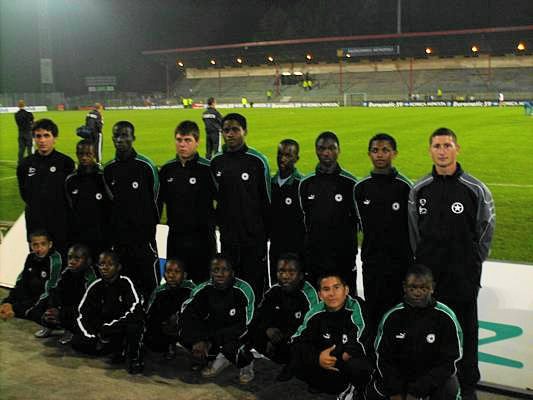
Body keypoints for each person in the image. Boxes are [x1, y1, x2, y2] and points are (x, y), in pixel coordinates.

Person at [408, 127, 495, 400]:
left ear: (457, 148)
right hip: (430, 279)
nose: (442, 151)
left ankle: (468, 386)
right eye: (437, 146)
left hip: (462, 276)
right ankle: (431, 384)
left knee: (467, 331)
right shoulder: (419, 189)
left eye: (447, 145)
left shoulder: (475, 188)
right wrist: (423, 264)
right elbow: (414, 233)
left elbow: (486, 228)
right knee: (430, 330)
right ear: (430, 150)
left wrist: (472, 262)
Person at [368, 264, 462, 400]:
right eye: (413, 288)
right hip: (400, 380)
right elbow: (382, 357)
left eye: (424, 288)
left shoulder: (446, 317)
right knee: (373, 391)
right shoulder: (392, 317)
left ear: (432, 288)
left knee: (449, 388)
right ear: (405, 287)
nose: (418, 293)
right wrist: (396, 391)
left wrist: (417, 391)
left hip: (430, 381)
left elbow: (451, 361)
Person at [354, 133, 413, 331]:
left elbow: (413, 228)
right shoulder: (360, 189)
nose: (380, 155)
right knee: (374, 309)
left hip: (399, 262)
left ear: (394, 154)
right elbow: (359, 224)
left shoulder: (405, 188)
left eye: (385, 150)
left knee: (399, 311)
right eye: (375, 150)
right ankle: (374, 353)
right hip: (372, 262)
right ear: (369, 154)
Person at [210, 113, 271, 299]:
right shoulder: (216, 162)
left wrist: (263, 233)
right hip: (229, 237)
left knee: (256, 282)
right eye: (226, 130)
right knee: (231, 283)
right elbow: (215, 199)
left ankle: (258, 322)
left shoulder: (258, 161)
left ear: (245, 131)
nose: (230, 134)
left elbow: (267, 200)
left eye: (235, 129)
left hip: (254, 237)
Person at [290, 272, 371, 399]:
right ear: (320, 295)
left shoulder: (357, 307)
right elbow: (297, 340)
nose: (332, 294)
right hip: (328, 360)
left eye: (336, 287)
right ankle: (340, 387)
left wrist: (343, 354)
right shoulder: (315, 312)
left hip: (346, 358)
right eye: (326, 289)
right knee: (297, 360)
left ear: (346, 290)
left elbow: (363, 336)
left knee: (357, 364)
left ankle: (358, 389)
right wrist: (318, 358)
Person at [103, 121, 160, 299]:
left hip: (144, 238)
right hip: (120, 239)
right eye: (116, 136)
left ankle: (153, 318)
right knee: (125, 283)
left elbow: (157, 198)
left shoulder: (146, 166)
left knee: (150, 281)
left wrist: (149, 227)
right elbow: (110, 203)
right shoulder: (109, 169)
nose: (120, 140)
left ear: (133, 138)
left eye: (124, 135)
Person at [179, 254, 256, 384]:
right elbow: (187, 315)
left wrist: (211, 341)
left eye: (224, 270)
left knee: (231, 347)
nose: (219, 274)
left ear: (232, 272)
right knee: (183, 334)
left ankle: (246, 363)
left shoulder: (243, 290)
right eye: (215, 270)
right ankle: (220, 357)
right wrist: (198, 340)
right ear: (210, 272)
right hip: (211, 334)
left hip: (235, 335)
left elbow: (248, 324)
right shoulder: (202, 290)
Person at [298, 131, 358, 292]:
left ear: (339, 150)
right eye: (321, 148)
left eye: (331, 148)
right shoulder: (306, 183)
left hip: (343, 257)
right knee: (316, 301)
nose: (326, 152)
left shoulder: (351, 183)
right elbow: (303, 220)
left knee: (347, 300)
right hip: (315, 256)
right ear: (316, 150)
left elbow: (358, 222)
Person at [159, 121, 217, 283]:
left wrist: (213, 222)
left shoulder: (208, 169)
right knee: (175, 284)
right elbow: (158, 203)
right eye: (179, 140)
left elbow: (223, 201)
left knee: (203, 284)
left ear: (197, 142)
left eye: (187, 140)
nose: (182, 144)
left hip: (203, 240)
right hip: (176, 239)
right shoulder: (167, 170)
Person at [247, 253, 318, 380]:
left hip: (297, 341)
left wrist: (284, 337)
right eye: (281, 271)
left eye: (291, 272)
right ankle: (245, 360)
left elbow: (311, 328)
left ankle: (298, 366)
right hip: (278, 339)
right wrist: (267, 330)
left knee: (308, 343)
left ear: (301, 275)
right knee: (250, 330)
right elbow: (257, 317)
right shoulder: (273, 291)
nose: (285, 276)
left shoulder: (310, 294)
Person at [72, 250, 145, 374]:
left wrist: (109, 328)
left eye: (109, 264)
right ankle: (111, 348)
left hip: (120, 327)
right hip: (103, 329)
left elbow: (136, 310)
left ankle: (133, 358)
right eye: (101, 264)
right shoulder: (96, 286)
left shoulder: (126, 283)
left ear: (118, 267)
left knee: (135, 325)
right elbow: (82, 313)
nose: (105, 267)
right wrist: (93, 335)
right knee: (77, 342)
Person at [17, 119, 75, 256]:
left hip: (59, 224)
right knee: (38, 264)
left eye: (46, 135)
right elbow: (24, 194)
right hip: (35, 223)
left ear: (55, 138)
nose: (42, 140)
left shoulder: (66, 163)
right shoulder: (25, 164)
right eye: (38, 136)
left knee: (61, 262)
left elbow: (70, 196)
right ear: (34, 138)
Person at [0, 230, 62, 336]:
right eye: (35, 245)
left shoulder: (55, 260)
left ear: (50, 244)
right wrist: (8, 302)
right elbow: (21, 282)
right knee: (6, 304)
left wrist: (31, 307)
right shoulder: (30, 257)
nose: (39, 248)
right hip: (33, 296)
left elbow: (50, 289)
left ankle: (58, 327)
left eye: (43, 244)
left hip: (49, 298)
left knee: (33, 312)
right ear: (31, 245)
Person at [40, 243, 97, 343]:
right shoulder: (67, 272)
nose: (72, 262)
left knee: (71, 314)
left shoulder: (90, 278)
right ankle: (49, 326)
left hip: (84, 311)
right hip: (69, 305)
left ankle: (71, 331)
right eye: (70, 258)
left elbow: (88, 306)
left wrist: (63, 313)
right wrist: (53, 308)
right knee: (47, 299)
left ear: (87, 261)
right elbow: (56, 290)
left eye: (77, 259)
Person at [65, 140, 112, 259]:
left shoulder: (103, 177)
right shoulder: (71, 180)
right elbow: (69, 209)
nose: (84, 157)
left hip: (102, 237)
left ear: (94, 154)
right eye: (81, 154)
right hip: (80, 237)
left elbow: (112, 206)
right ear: (76, 154)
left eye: (88, 154)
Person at [269, 139, 305, 285]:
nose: (283, 158)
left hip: (296, 248)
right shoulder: (270, 183)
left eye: (288, 155)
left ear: (297, 158)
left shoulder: (302, 184)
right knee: (276, 285)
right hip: (275, 247)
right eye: (280, 154)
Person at [144, 258, 195, 359]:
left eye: (177, 272)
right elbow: (148, 314)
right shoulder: (159, 291)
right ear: (164, 275)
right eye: (168, 272)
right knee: (152, 343)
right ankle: (169, 345)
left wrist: (179, 319)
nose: (172, 275)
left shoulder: (192, 289)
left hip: (185, 326)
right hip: (166, 326)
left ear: (184, 275)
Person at [14, 99, 34, 163]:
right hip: (28, 133)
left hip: (20, 133)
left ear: (18, 105)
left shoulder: (16, 114)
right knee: (29, 149)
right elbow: (33, 122)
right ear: (24, 105)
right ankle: (30, 162)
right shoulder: (29, 114)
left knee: (21, 149)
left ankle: (20, 162)